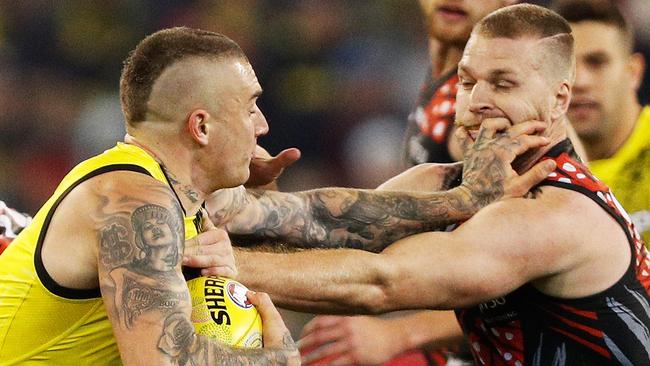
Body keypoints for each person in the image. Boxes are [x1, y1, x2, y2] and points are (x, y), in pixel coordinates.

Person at [0, 26, 552, 365]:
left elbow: (325, 218)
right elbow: (162, 361)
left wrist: (464, 193)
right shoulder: (131, 202)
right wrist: (274, 360)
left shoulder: (190, 197)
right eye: (250, 106)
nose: (263, 124)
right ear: (201, 127)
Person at [233, 4, 650, 365]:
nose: (476, 101)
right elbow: (319, 225)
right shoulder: (450, 182)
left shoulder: (557, 212)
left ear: (560, 100)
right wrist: (238, 198)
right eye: (468, 82)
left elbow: (381, 283)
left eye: (503, 84)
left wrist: (206, 262)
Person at [552, 0, 650, 245]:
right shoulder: (532, 170)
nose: (580, 81)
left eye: (597, 62)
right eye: (566, 65)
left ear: (634, 72)